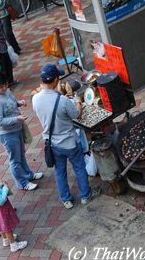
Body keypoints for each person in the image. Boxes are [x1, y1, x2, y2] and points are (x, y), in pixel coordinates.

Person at [32, 64, 101, 209]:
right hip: (70, 142)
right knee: (79, 168)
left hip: (53, 144)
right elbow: (77, 115)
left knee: (60, 171)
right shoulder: (62, 101)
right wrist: (77, 102)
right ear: (57, 80)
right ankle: (85, 196)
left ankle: (66, 200)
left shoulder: (35, 99)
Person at [0, 72, 43, 191]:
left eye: (5, 85)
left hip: (16, 128)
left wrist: (18, 103)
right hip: (7, 133)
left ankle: (28, 174)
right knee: (15, 159)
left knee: (21, 154)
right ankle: (22, 183)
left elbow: (10, 102)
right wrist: (16, 118)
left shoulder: (5, 91)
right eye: (1, 87)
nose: (4, 88)